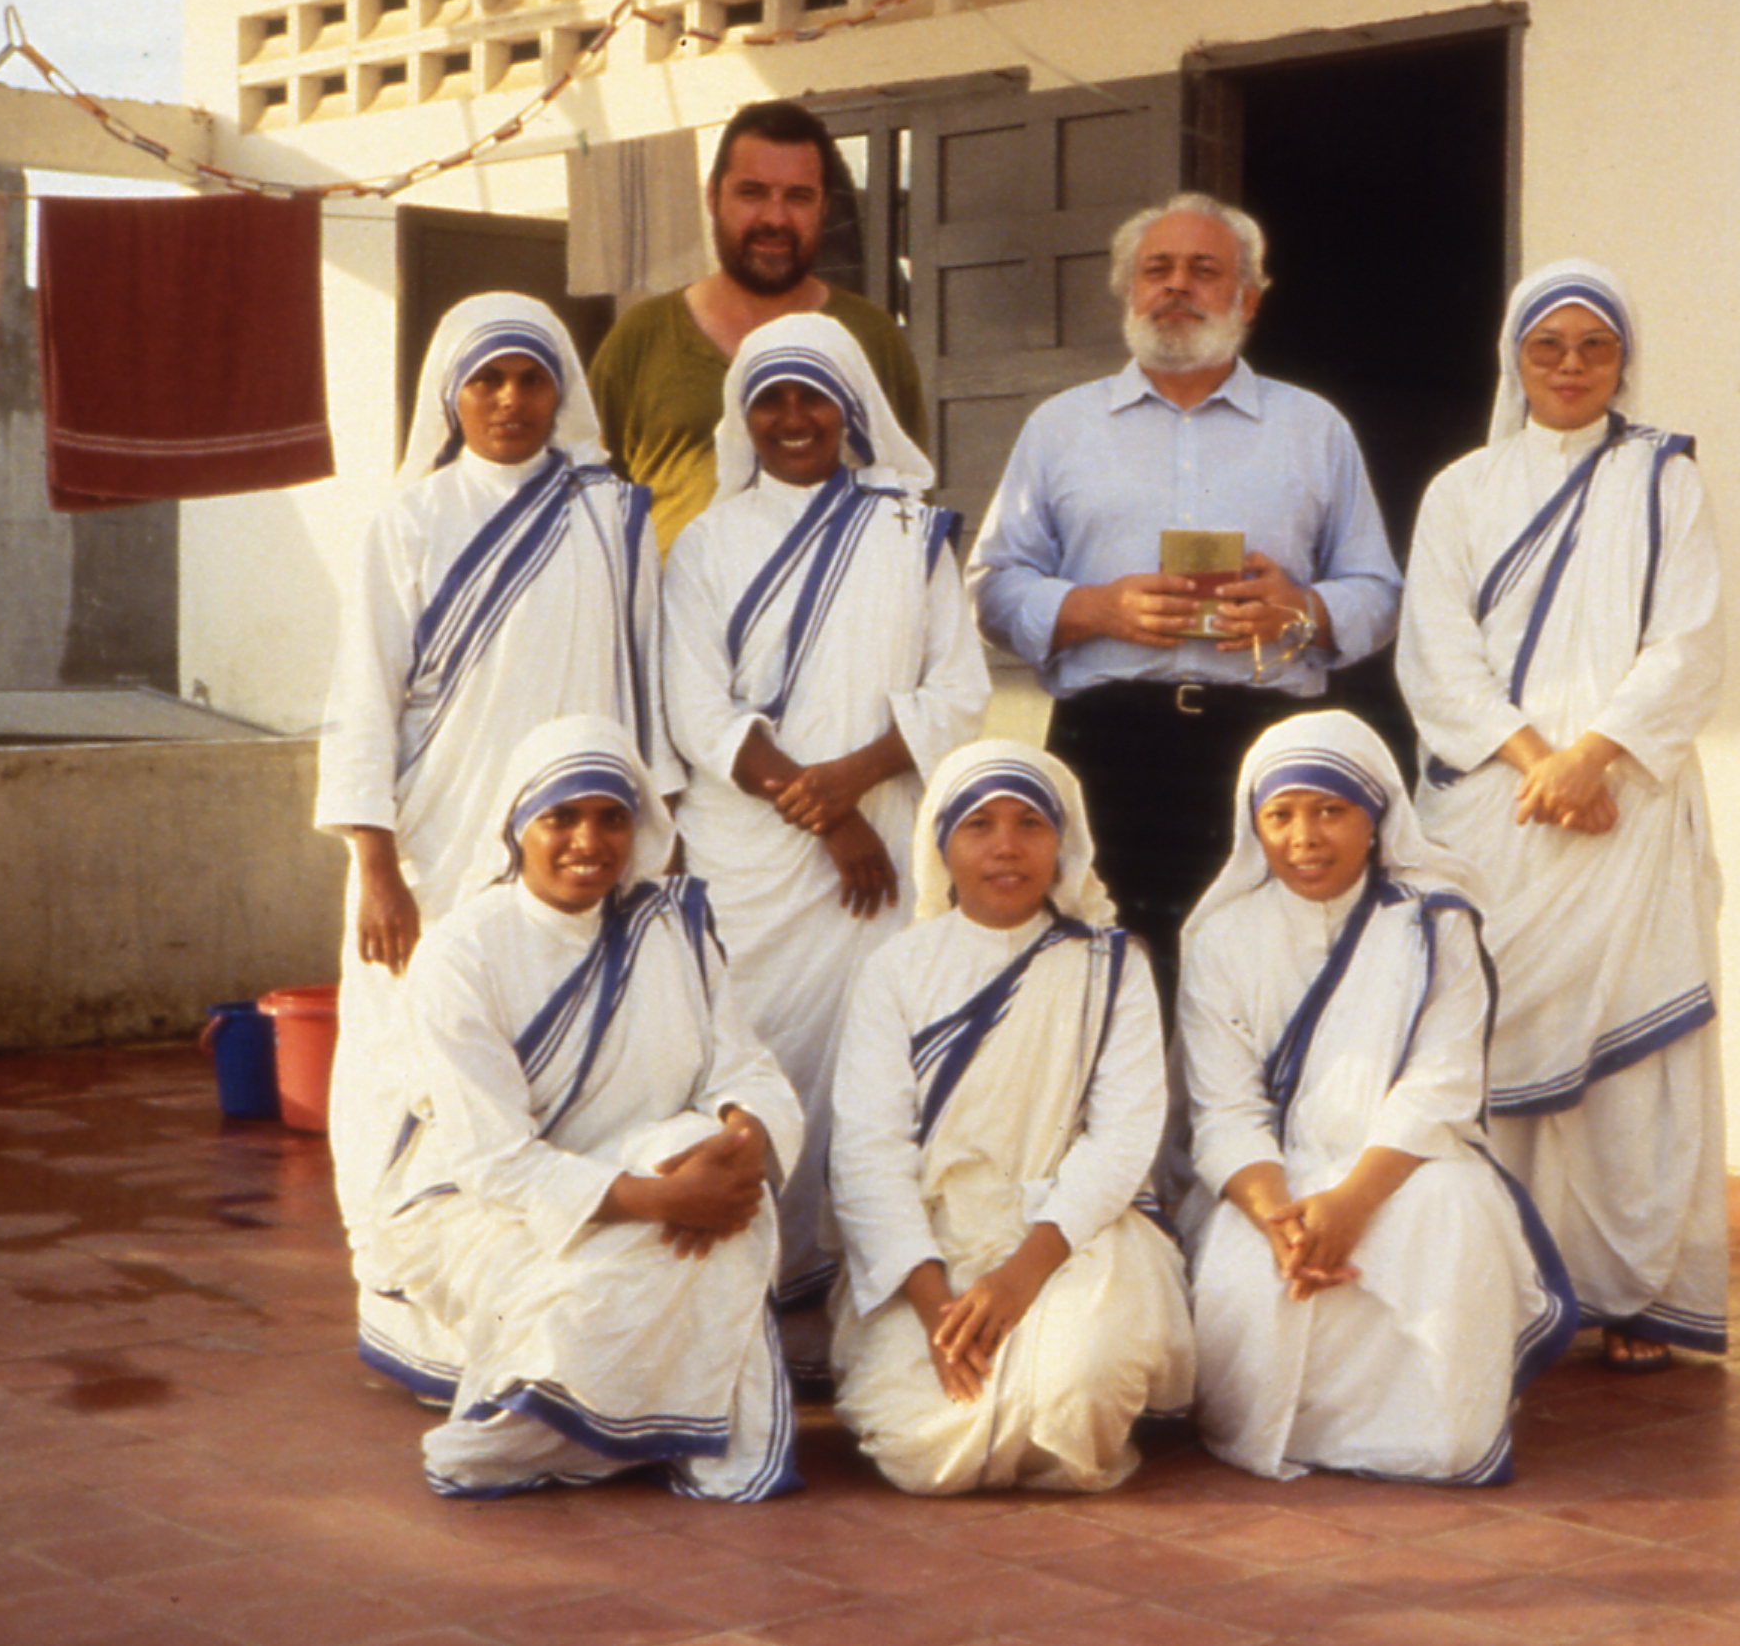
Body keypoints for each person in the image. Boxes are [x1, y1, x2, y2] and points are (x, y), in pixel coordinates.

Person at [313, 290, 676, 1396]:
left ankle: (539, 1272)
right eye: (486, 380)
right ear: (451, 395)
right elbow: (364, 700)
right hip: (433, 842)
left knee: (559, 1047)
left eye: (529, 377)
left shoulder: (616, 516)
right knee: (409, 1056)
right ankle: (411, 1287)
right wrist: (374, 860)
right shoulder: (409, 521)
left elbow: (647, 683)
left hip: (577, 846)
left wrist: (655, 837)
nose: (510, 399)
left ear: (561, 388)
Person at [1395, 257, 1729, 1370]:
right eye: (1550, 346)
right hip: (1501, 806)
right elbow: (1437, 653)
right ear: (1516, 360)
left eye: (1595, 346)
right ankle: (1500, 1277)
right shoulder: (1461, 490)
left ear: (1624, 358)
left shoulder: (1663, 479)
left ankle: (1629, 1292)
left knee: (1631, 1064)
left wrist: (1596, 757)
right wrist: (1540, 761)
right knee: (1487, 1042)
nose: (1573, 366)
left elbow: (1687, 639)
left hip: (1625, 807)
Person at [662, 315, 991, 1376]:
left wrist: (855, 782)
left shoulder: (909, 531)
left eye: (813, 398)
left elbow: (960, 689)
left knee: (862, 1067)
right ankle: (738, 1304)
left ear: (852, 408)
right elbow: (695, 707)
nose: (793, 420)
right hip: (750, 857)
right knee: (745, 1058)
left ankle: (845, 1315)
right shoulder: (707, 543)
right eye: (772, 400)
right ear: (743, 415)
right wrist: (829, 811)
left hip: (879, 853)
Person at [966, 192, 1402, 976]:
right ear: (1128, 292)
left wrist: (1301, 609)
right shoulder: (1060, 428)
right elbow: (991, 587)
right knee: (1100, 974)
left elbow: (1380, 591)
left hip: (1269, 747)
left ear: (1248, 299)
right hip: (1107, 746)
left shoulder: (1314, 428)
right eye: (1156, 270)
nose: (1176, 286)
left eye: (1203, 270)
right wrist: (1095, 607)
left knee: (1266, 977)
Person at [370, 715, 803, 1499]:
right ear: (517, 827)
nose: (588, 841)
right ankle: (542, 1428)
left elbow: (740, 1063)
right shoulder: (463, 952)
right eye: (559, 817)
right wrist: (666, 1199)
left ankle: (572, 1426)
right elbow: (492, 1161)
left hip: (643, 1173)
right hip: (475, 1205)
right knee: (644, 1267)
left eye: (611, 817)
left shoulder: (668, 927)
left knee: (727, 1186)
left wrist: (741, 1141)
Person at [1181, 710, 1576, 1483]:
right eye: (1281, 815)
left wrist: (1352, 1204)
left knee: (1450, 1216)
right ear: (1253, 826)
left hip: (1407, 1163)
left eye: (1332, 810)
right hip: (1273, 1181)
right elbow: (1223, 1110)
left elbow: (1442, 1082)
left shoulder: (1435, 924)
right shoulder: (1221, 940)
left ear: (1377, 818)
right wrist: (1281, 1221)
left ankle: (1427, 1443)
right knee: (1242, 1280)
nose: (1306, 838)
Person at [824, 741, 1195, 1493]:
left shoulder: (1112, 966)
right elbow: (868, 1151)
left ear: (1063, 843)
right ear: (942, 845)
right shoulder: (896, 970)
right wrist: (937, 1308)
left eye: (1030, 823)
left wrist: (1020, 1277)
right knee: (922, 1450)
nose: (1005, 846)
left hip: (1070, 1236)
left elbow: (1123, 1135)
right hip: (931, 1246)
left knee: (1075, 1395)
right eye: (978, 825)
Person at [585, 99, 927, 547]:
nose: (774, 218)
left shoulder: (869, 339)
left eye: (798, 197)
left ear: (823, 208)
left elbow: (908, 507)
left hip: (826, 614)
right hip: (676, 616)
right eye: (752, 193)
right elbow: (590, 512)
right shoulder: (640, 338)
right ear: (712, 196)